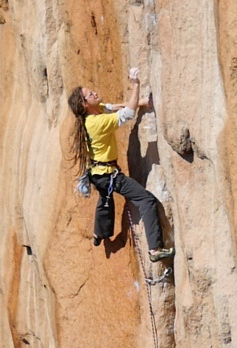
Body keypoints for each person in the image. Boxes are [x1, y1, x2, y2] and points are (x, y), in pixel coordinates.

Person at [67, 68, 175, 262]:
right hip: (108, 175)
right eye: (88, 94)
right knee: (146, 201)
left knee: (105, 198)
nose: (92, 92)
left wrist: (141, 102)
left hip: (97, 174)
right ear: (85, 105)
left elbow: (113, 106)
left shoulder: (93, 114)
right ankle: (155, 249)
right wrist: (135, 84)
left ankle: (99, 233)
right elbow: (127, 114)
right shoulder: (96, 122)